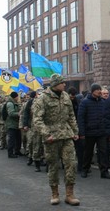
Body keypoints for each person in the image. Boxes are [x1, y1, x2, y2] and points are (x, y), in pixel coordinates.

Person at [32, 74, 80, 206]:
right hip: (52, 138)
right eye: (62, 83)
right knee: (53, 166)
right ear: (55, 84)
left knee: (71, 164)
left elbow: (71, 116)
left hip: (66, 135)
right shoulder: (42, 98)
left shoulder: (65, 96)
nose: (65, 85)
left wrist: (75, 131)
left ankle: (70, 194)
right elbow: (37, 119)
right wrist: (47, 134)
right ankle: (55, 193)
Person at [78, 83, 110, 179]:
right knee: (88, 152)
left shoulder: (103, 102)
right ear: (93, 91)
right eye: (98, 90)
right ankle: (85, 169)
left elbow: (107, 116)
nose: (100, 92)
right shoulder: (84, 102)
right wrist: (82, 133)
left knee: (103, 152)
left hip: (102, 132)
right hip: (89, 132)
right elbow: (81, 118)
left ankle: (104, 172)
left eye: (100, 90)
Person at [23, 91, 42, 171]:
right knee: (32, 143)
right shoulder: (30, 102)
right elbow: (26, 113)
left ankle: (44, 162)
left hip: (45, 127)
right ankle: (33, 159)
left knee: (44, 145)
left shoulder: (44, 102)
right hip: (34, 126)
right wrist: (26, 124)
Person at [6, 92, 22, 158]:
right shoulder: (10, 104)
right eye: (17, 96)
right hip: (11, 124)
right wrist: (19, 114)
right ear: (15, 97)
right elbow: (11, 113)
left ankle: (17, 151)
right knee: (11, 140)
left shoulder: (15, 103)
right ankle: (10, 153)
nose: (18, 98)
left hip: (16, 124)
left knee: (18, 139)